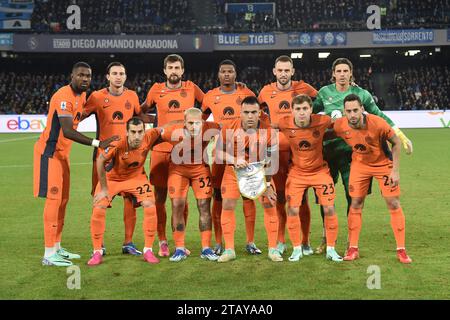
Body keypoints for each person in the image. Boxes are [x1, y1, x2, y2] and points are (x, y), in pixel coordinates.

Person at [312, 57, 414, 254]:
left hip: (354, 156)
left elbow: (380, 116)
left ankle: (352, 243)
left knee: (354, 199)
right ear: (333, 74)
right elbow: (312, 116)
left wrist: (400, 135)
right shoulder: (324, 93)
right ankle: (326, 239)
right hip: (328, 153)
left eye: (345, 71)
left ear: (351, 73)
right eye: (338, 71)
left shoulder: (361, 94)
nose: (342, 74)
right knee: (326, 198)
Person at [34, 62, 118, 266]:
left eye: (88, 76)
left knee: (63, 201)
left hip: (63, 156)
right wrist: (97, 143)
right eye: (81, 75)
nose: (85, 79)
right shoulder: (64, 96)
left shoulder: (82, 97)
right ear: (72, 75)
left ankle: (56, 246)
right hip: (49, 153)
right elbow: (67, 130)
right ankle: (48, 254)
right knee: (53, 202)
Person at [332, 94, 412, 264]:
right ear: (344, 112)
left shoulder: (377, 123)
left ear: (362, 109)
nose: (352, 115)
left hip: (383, 164)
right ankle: (353, 249)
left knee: (393, 203)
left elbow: (396, 143)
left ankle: (401, 250)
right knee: (355, 204)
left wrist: (395, 171)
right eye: (348, 111)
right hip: (360, 165)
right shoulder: (340, 125)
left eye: (355, 110)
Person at [141, 54, 204, 257]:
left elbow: (208, 106)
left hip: (184, 152)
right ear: (165, 70)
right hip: (160, 151)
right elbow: (140, 111)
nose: (174, 71)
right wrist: (157, 124)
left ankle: (180, 242)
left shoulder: (191, 88)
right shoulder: (156, 90)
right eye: (170, 68)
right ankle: (162, 241)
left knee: (181, 200)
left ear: (182, 70)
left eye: (177, 67)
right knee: (159, 197)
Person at [83, 61, 147, 256]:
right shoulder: (96, 97)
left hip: (128, 158)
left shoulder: (132, 96)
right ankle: (99, 245)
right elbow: (79, 116)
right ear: (108, 77)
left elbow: (139, 119)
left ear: (125, 77)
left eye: (122, 73)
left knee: (130, 199)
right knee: (100, 199)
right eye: (115, 73)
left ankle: (128, 242)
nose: (118, 76)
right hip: (104, 157)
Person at [258, 55, 318, 256]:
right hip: (276, 152)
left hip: (298, 151)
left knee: (302, 198)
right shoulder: (266, 91)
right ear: (274, 72)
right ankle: (282, 240)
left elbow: (323, 100)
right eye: (280, 70)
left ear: (292, 72)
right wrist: (268, 127)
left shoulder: (304, 89)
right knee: (280, 197)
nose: (283, 74)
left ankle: (306, 241)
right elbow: (256, 110)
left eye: (287, 70)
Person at [202, 59, 262, 256]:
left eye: (230, 71)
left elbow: (259, 118)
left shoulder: (247, 94)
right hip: (220, 154)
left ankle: (250, 241)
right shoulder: (210, 96)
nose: (227, 74)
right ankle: (219, 241)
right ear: (218, 75)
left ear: (236, 74)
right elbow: (201, 122)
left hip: (245, 154)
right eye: (223, 71)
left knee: (248, 195)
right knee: (218, 197)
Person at [87, 117, 162, 266]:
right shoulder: (117, 143)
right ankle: (97, 252)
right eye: (133, 132)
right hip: (112, 179)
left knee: (150, 204)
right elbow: (100, 160)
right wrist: (103, 188)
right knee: (99, 206)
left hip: (136, 178)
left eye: (140, 132)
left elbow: (165, 128)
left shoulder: (150, 136)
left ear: (144, 131)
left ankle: (148, 250)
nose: (137, 136)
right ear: (127, 132)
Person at [215, 96, 281, 263]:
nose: (250, 116)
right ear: (240, 113)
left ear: (259, 113)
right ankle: (229, 250)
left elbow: (272, 161)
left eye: (253, 112)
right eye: (246, 112)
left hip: (260, 173)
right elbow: (218, 153)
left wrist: (267, 184)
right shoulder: (228, 128)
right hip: (233, 172)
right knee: (228, 204)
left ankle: (273, 249)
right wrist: (233, 159)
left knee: (269, 203)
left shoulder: (269, 132)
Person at [277, 95, 342, 262]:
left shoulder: (322, 120)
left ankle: (331, 249)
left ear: (311, 110)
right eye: (298, 109)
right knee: (292, 209)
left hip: (320, 172)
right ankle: (297, 249)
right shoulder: (284, 123)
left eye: (305, 109)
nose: (301, 113)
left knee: (329, 209)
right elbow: (265, 127)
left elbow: (341, 125)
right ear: (292, 111)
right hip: (297, 173)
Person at [161, 108, 220, 262]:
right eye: (190, 123)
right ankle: (179, 248)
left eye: (198, 123)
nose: (194, 126)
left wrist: (215, 146)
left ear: (203, 122)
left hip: (200, 169)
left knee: (204, 206)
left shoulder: (211, 128)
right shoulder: (172, 132)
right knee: (177, 205)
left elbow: (223, 130)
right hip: (178, 170)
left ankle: (206, 248)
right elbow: (155, 136)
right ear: (184, 122)